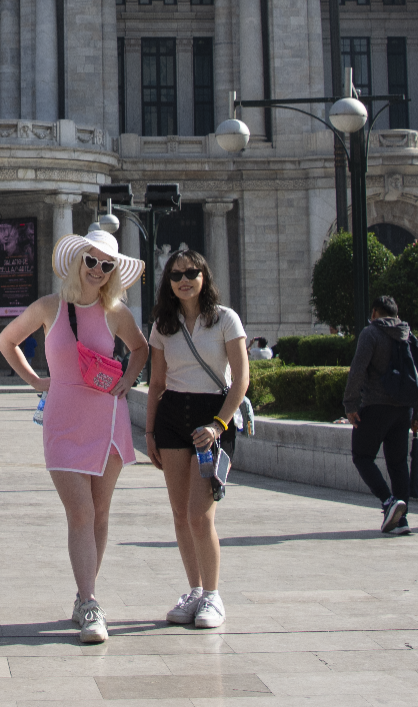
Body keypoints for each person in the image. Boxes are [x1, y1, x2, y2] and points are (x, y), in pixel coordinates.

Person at [0, 229, 147, 644]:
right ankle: (89, 600)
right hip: (63, 419)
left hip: (107, 418)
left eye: (107, 265)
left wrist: (128, 382)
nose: (98, 270)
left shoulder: (115, 311)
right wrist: (35, 381)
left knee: (99, 513)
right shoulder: (50, 307)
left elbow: (141, 349)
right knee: (80, 513)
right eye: (92, 261)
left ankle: (86, 598)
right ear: (78, 260)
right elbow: (7, 341)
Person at [143, 249, 250, 630]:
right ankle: (193, 590)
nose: (183, 280)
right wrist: (150, 432)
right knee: (178, 515)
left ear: (204, 276)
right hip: (172, 416)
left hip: (212, 419)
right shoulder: (163, 324)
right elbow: (156, 382)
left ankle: (213, 596)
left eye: (191, 272)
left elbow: (240, 380)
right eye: (175, 275)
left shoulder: (224, 319)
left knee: (199, 517)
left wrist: (219, 424)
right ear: (167, 283)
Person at [343, 295, 418, 537]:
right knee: (398, 463)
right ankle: (402, 519)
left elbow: (358, 369)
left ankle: (389, 502)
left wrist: (350, 404)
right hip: (404, 408)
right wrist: (417, 411)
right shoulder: (408, 334)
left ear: (376, 312)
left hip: (376, 406)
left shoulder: (371, 333)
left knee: (362, 456)